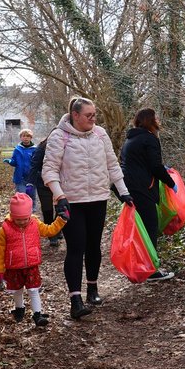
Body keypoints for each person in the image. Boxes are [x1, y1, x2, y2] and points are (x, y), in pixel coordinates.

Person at [42, 97, 134, 319]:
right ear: (75, 115)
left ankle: (92, 288)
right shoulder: (59, 136)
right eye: (89, 115)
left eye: (95, 115)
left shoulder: (101, 134)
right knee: (76, 247)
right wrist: (59, 195)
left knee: (94, 245)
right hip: (71, 201)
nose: (93, 119)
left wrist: (123, 191)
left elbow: (112, 164)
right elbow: (50, 170)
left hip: (98, 199)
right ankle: (75, 300)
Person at [0, 193, 68, 327]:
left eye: (25, 219)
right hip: (13, 267)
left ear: (29, 215)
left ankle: (37, 315)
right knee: (17, 290)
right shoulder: (5, 229)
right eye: (18, 219)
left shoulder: (35, 223)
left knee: (33, 290)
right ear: (12, 216)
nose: (22, 222)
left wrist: (60, 220)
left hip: (32, 266)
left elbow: (49, 230)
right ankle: (19, 308)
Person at [119, 108, 176, 281]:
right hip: (143, 189)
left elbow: (138, 163)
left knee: (140, 229)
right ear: (150, 120)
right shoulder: (149, 139)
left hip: (130, 189)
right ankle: (151, 270)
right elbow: (155, 166)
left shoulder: (131, 139)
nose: (158, 120)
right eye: (156, 117)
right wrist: (171, 183)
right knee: (150, 226)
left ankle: (140, 265)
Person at [26, 138, 60, 247]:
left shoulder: (67, 147)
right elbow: (34, 166)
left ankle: (58, 229)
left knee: (61, 207)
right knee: (47, 209)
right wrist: (30, 183)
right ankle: (52, 235)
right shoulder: (41, 149)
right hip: (43, 183)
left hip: (61, 183)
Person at [3, 128, 38, 212]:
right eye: (23, 136)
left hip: (31, 178)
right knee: (21, 195)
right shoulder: (17, 149)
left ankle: (32, 209)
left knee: (31, 194)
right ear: (20, 137)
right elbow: (14, 161)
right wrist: (10, 161)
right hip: (20, 177)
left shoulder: (35, 149)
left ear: (31, 138)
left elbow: (37, 162)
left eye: (28, 136)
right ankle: (22, 210)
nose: (25, 138)